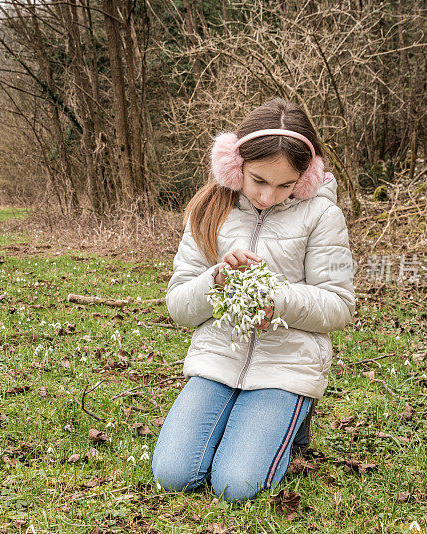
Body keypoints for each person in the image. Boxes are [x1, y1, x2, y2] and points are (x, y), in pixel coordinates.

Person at [151, 98, 356, 502]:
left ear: (306, 176)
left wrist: (275, 299)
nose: (267, 196)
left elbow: (339, 306)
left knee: (236, 487)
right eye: (258, 179)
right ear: (235, 165)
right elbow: (178, 307)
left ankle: (287, 421)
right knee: (174, 475)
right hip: (217, 360)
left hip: (285, 367)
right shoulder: (210, 211)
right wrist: (218, 277)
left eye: (285, 185)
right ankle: (241, 421)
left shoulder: (321, 216)